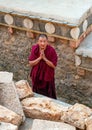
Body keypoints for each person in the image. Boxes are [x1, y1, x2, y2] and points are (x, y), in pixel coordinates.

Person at [28, 34, 58, 99]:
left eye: (44, 41)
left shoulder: (51, 50)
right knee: (36, 96)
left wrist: (44, 59)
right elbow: (30, 63)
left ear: (47, 42)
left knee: (48, 96)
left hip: (47, 79)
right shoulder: (35, 49)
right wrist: (39, 58)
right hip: (36, 78)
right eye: (41, 41)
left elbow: (53, 65)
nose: (42, 43)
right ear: (38, 42)